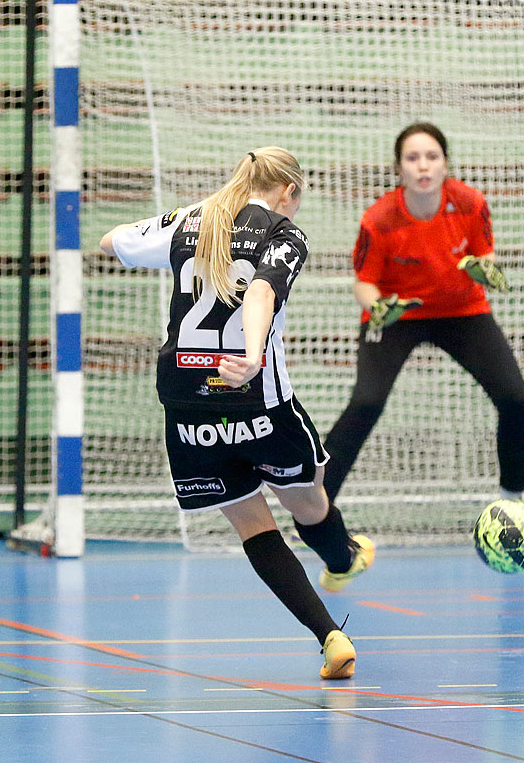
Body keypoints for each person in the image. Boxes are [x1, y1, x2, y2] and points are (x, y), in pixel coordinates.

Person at [100, 148, 372, 680]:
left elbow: (111, 241)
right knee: (311, 496)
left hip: (184, 401)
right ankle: (341, 559)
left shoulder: (190, 222)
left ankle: (330, 636)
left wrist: (180, 234)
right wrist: (250, 355)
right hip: (254, 395)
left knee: (252, 526)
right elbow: (263, 290)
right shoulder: (283, 233)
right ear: (289, 192)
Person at [324, 123, 524, 503]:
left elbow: (485, 254)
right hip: (399, 316)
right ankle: (314, 507)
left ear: (445, 165)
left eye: (432, 157)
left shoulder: (470, 202)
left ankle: (511, 501)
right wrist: (379, 307)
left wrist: (485, 269)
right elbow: (363, 283)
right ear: (399, 168)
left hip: (462, 310)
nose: (423, 166)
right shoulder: (379, 219)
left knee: (516, 400)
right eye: (412, 158)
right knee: (366, 403)